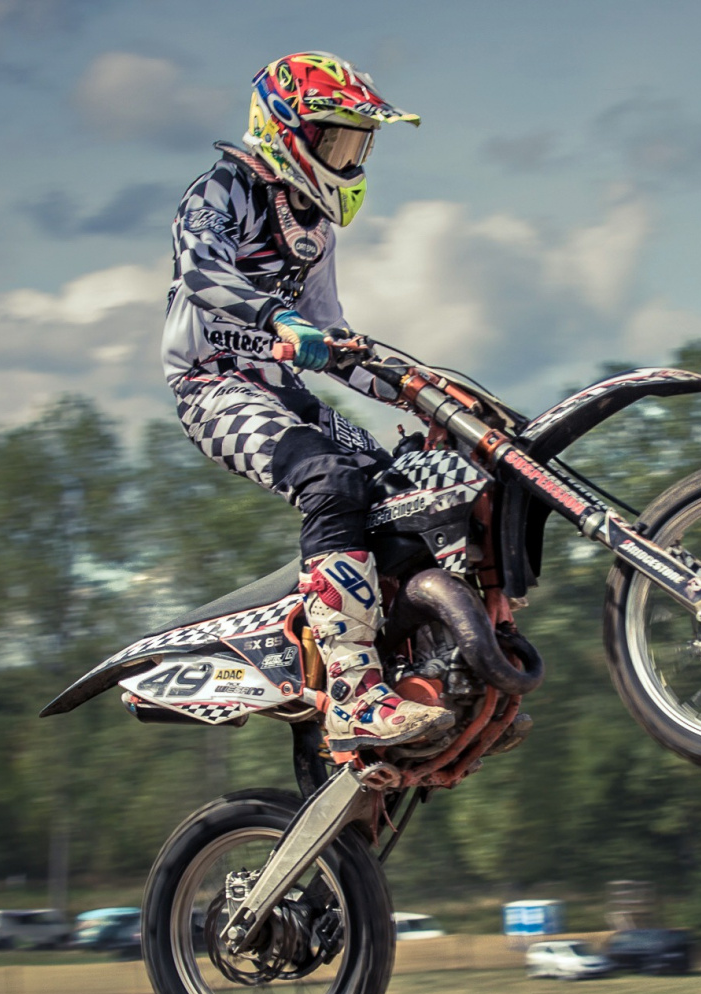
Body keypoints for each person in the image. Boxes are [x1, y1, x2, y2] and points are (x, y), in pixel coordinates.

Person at [159, 51, 451, 756]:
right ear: (284, 130)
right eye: (335, 140)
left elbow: (334, 336)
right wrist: (277, 319)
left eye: (358, 145)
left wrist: (422, 392)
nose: (348, 159)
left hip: (280, 388)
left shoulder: (315, 228)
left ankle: (428, 667)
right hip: (211, 385)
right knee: (332, 480)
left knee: (401, 488)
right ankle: (353, 693)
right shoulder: (222, 190)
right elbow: (201, 273)